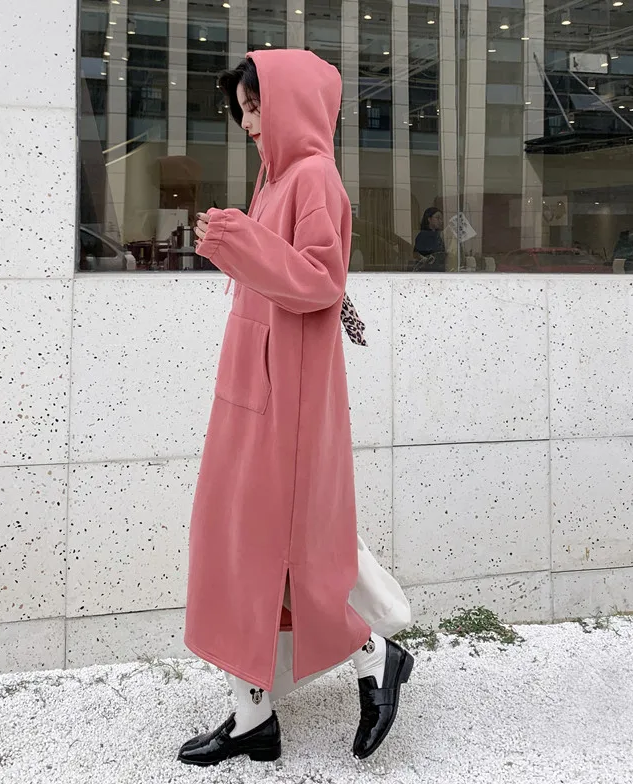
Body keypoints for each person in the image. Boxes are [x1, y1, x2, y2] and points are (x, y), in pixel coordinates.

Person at [178, 50, 414, 767]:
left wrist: (234, 239)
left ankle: (369, 656)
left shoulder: (313, 176)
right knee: (237, 548)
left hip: (289, 396)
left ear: (293, 102)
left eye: (257, 107)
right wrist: (240, 238)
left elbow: (318, 279)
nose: (249, 123)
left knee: (272, 550)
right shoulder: (276, 179)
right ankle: (256, 713)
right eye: (242, 111)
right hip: (252, 389)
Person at [413, 207, 446, 271]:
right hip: (427, 272)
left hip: (438, 271)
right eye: (438, 218)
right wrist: (426, 259)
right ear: (429, 219)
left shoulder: (438, 235)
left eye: (441, 219)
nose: (441, 221)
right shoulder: (423, 235)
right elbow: (416, 254)